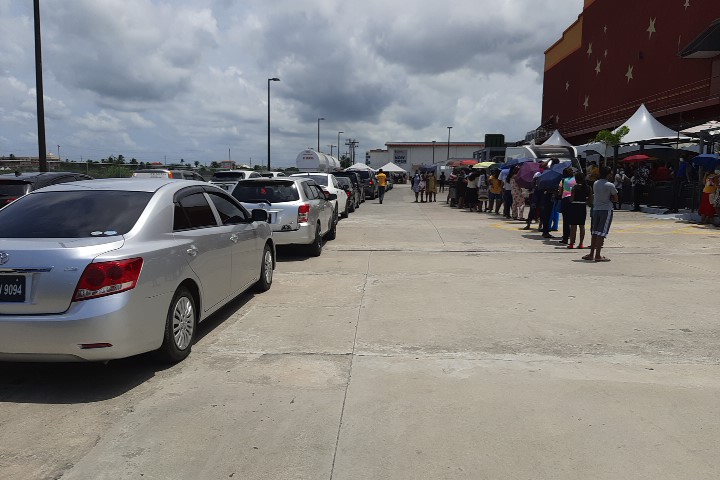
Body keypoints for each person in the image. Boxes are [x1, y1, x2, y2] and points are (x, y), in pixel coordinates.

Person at [583, 166, 618, 262]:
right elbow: (616, 198)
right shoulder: (610, 185)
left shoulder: (596, 183)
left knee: (595, 232)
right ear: (608, 174)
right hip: (606, 209)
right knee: (602, 233)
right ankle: (598, 255)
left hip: (596, 209)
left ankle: (591, 254)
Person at [568, 172, 592, 249]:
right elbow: (590, 201)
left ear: (576, 179)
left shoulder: (574, 188)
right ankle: (581, 243)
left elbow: (571, 199)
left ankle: (571, 243)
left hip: (575, 206)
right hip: (582, 206)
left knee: (573, 226)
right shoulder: (588, 188)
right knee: (582, 226)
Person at [559, 167, 576, 244]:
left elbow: (560, 192)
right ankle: (572, 238)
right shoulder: (576, 179)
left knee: (566, 220)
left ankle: (565, 238)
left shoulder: (563, 180)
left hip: (565, 200)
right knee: (573, 221)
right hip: (574, 200)